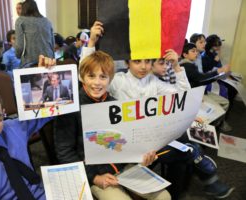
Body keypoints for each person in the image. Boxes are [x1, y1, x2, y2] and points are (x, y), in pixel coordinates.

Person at [81, 21, 234, 199]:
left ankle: (186, 183)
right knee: (185, 151)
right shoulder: (118, 80)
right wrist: (91, 43)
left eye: (148, 61)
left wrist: (177, 67)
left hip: (150, 140)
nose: (143, 66)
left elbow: (181, 96)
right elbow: (88, 75)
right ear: (127, 62)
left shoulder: (153, 82)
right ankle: (204, 172)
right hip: (124, 144)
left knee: (182, 149)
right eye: (137, 61)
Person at [53, 51, 171, 200]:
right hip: (93, 172)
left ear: (110, 80)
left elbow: (126, 142)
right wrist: (94, 177)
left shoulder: (115, 104)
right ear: (82, 77)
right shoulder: (70, 107)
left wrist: (141, 156)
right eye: (91, 76)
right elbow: (64, 151)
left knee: (164, 197)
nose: (97, 82)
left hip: (124, 167)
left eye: (103, 77)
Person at [15, 0, 55, 66]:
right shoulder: (47, 21)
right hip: (48, 61)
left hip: (30, 61)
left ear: (24, 9)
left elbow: (20, 46)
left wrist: (18, 55)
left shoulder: (20, 20)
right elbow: (52, 44)